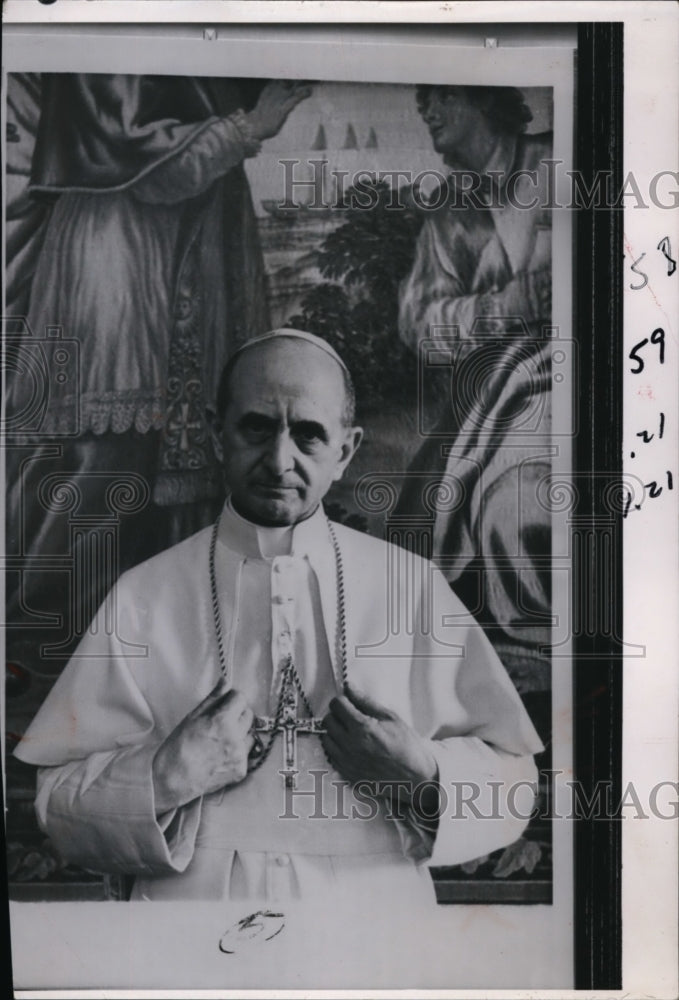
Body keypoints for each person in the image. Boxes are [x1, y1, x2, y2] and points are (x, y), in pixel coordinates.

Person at [14, 329, 543, 903]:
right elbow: (56, 800)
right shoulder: (144, 595)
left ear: (345, 451)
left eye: (308, 435)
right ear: (219, 434)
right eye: (257, 427)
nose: (278, 459)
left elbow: (515, 785)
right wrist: (165, 778)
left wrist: (423, 773)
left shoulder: (410, 588)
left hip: (372, 929)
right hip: (190, 933)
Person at [5, 73, 310, 673]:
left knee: (182, 469)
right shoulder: (108, 55)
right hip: (122, 255)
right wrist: (250, 127)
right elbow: (150, 161)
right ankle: (43, 652)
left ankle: (156, 657)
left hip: (180, 246)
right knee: (112, 458)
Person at [396, 85, 553, 692]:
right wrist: (505, 306)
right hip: (496, 383)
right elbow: (420, 326)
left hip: (590, 373)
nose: (428, 114)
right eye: (420, 106)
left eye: (439, 99)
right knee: (421, 517)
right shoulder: (449, 213)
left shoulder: (564, 161)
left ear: (481, 99)